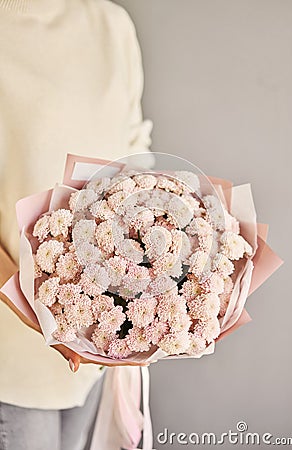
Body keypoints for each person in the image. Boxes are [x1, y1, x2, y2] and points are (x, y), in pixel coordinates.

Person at [0, 0, 154, 448]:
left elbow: (136, 152)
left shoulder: (110, 25)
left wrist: (160, 284)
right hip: (13, 358)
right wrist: (37, 309)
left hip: (100, 347)